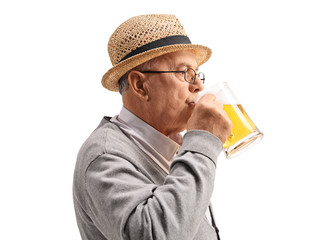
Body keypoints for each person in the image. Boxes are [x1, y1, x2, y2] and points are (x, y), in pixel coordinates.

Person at [73, 14, 232, 240]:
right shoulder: (104, 155)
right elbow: (156, 234)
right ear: (140, 85)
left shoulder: (170, 145)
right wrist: (203, 140)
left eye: (197, 74)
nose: (199, 86)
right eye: (184, 73)